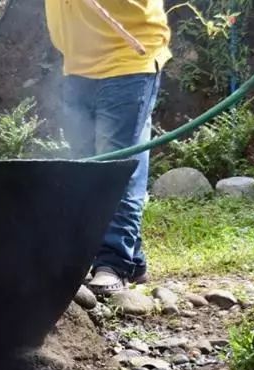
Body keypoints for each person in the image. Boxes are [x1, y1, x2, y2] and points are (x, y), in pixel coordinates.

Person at [45, 0, 171, 296]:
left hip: (127, 61)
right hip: (77, 66)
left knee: (114, 166)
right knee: (88, 167)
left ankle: (113, 262)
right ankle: (131, 258)